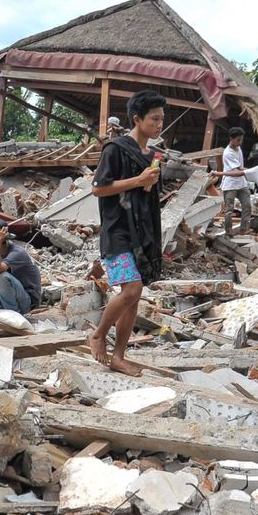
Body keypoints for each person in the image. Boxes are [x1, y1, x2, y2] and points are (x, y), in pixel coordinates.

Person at [87, 90, 166, 374]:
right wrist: (138, 180)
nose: (159, 125)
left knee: (134, 295)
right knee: (131, 289)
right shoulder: (116, 149)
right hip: (117, 232)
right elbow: (98, 188)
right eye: (154, 119)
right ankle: (97, 335)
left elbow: (145, 192)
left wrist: (147, 182)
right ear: (137, 119)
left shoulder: (152, 155)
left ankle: (119, 356)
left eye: (162, 119)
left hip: (142, 233)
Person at [219, 128, 251, 237]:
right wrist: (252, 171)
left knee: (247, 205)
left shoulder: (238, 148)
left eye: (241, 140)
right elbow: (238, 169)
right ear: (231, 139)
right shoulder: (228, 153)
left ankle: (244, 228)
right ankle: (228, 231)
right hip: (230, 183)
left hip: (241, 182)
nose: (240, 142)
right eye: (238, 140)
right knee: (229, 209)